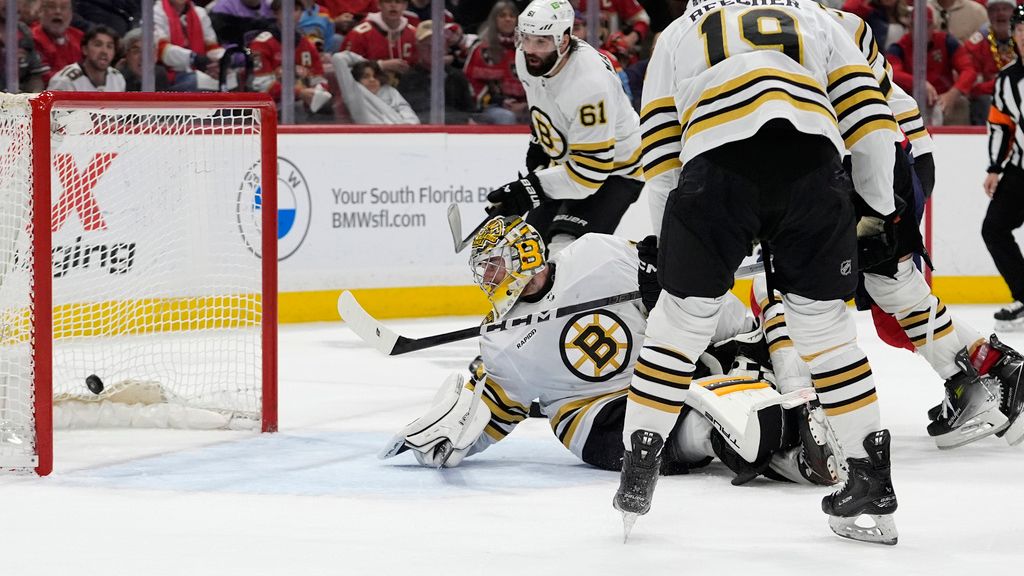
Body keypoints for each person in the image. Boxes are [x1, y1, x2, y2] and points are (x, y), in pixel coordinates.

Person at [619, 0, 902, 545]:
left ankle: (640, 459)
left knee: (680, 325)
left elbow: (659, 154)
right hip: (811, 166)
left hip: (716, 166)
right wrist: (878, 210)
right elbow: (870, 119)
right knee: (827, 335)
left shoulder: (681, 29)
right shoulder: (816, 18)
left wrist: (663, 244)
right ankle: (870, 477)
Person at [385, 216, 839, 491]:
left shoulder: (595, 254)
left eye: (492, 265)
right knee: (709, 425)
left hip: (662, 373)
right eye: (483, 272)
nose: (488, 279)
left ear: (523, 251)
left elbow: (668, 278)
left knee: (753, 310)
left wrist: (659, 276)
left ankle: (781, 384)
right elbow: (497, 409)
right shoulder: (499, 340)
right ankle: (787, 448)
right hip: (597, 421)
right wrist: (456, 441)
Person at [484, 0, 643, 256]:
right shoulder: (526, 57)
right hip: (568, 165)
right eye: (526, 38)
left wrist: (529, 190)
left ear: (563, 40)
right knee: (528, 251)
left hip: (615, 171)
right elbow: (545, 103)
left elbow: (589, 175)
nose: (530, 49)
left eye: (541, 41)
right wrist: (539, 144)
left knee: (565, 250)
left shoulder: (589, 85)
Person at [984, 6, 1024, 334]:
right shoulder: (1007, 79)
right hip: (1020, 171)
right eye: (1021, 28)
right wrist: (995, 168)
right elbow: (1001, 126)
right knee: (994, 228)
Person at [886, 5, 976, 125]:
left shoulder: (947, 42)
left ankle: (963, 141)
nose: (921, 30)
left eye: (926, 26)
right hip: (912, 101)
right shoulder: (898, 48)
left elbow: (969, 70)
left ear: (933, 26)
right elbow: (893, 74)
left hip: (944, 98)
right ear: (910, 27)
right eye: (916, 25)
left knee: (962, 103)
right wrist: (919, 83)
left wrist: (954, 93)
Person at [250, 0, 333, 115]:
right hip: (269, 107)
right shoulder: (261, 44)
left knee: (327, 107)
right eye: (285, 10)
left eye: (295, 10)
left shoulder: (307, 45)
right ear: (276, 13)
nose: (290, 14)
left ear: (301, 14)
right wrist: (299, 92)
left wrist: (319, 91)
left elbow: (319, 78)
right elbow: (262, 85)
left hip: (304, 105)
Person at [398, 20, 475, 124]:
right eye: (426, 45)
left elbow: (470, 112)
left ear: (446, 48)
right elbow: (416, 115)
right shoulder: (408, 79)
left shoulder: (457, 77)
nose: (432, 50)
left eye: (437, 44)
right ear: (417, 47)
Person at [462, 1, 527, 125]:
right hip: (490, 105)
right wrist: (501, 101)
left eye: (512, 16)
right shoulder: (481, 49)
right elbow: (470, 82)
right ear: (494, 19)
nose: (508, 19)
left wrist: (526, 104)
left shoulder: (527, 48)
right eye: (502, 15)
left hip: (525, 104)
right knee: (507, 118)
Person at [964, 0, 1017, 126]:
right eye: (995, 10)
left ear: (1014, 13)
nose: (1000, 14)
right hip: (988, 100)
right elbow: (972, 87)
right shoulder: (975, 44)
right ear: (988, 14)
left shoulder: (1021, 37)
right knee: (983, 101)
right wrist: (1004, 82)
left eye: (1005, 9)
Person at [154, 0, 224, 92]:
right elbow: (161, 50)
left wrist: (221, 62)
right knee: (195, 82)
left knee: (232, 77)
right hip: (169, 74)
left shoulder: (200, 12)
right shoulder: (155, 12)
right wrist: (193, 58)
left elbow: (212, 47)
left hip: (201, 71)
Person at [331, 50, 418, 124]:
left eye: (375, 76)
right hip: (374, 138)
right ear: (357, 80)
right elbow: (338, 58)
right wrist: (378, 64)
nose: (372, 80)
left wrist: (407, 127)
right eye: (366, 76)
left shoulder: (390, 91)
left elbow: (408, 114)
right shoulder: (353, 92)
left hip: (402, 135)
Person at [341, 0, 417, 80]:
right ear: (379, 5)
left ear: (405, 6)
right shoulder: (359, 34)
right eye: (388, 2)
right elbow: (346, 68)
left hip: (407, 88)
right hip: (366, 88)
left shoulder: (413, 33)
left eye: (398, 2)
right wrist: (380, 65)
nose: (393, 5)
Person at [46, 24, 124, 91]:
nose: (104, 51)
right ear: (85, 49)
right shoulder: (65, 81)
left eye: (109, 46)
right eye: (98, 45)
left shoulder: (117, 78)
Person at [31, 0, 81, 83]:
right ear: (40, 11)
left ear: (71, 14)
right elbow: (44, 77)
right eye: (51, 6)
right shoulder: (32, 38)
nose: (58, 11)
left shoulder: (79, 37)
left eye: (63, 7)